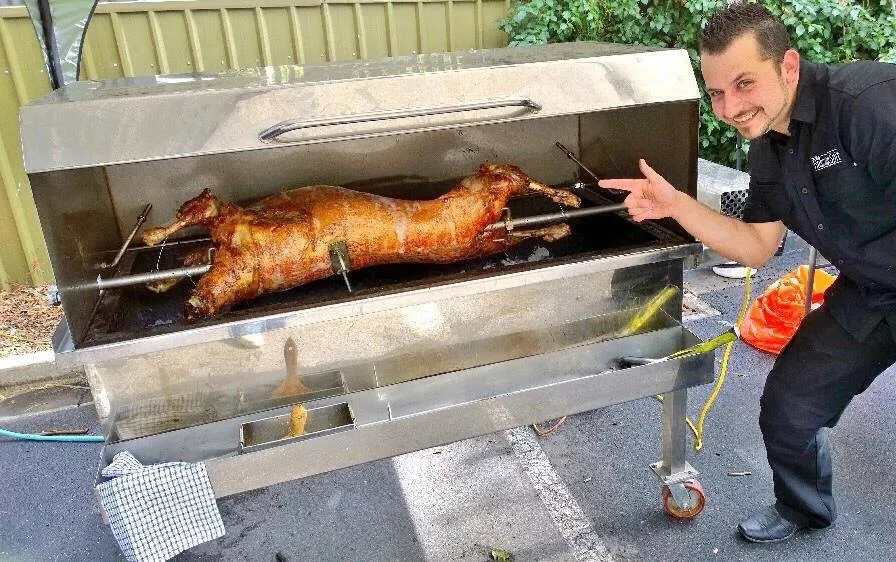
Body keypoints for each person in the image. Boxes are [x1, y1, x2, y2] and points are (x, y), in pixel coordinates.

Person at [598, 2, 896, 543]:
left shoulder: (866, 106)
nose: (729, 106)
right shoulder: (768, 148)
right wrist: (675, 205)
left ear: (788, 65)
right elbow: (758, 246)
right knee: (790, 405)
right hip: (873, 293)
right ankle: (804, 508)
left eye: (743, 83)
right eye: (716, 92)